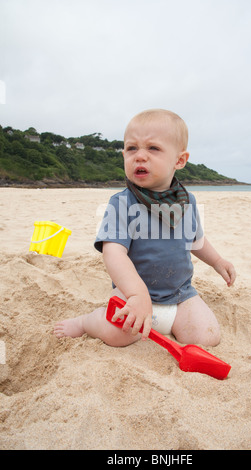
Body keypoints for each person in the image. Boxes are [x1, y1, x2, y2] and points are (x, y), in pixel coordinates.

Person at [54, 109, 236, 347]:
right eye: (132, 148)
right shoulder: (122, 203)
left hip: (179, 295)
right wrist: (136, 294)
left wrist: (217, 261)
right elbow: (113, 252)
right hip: (132, 295)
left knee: (207, 337)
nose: (140, 156)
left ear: (179, 160)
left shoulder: (186, 201)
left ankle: (174, 322)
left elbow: (194, 239)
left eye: (153, 148)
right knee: (116, 335)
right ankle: (86, 322)